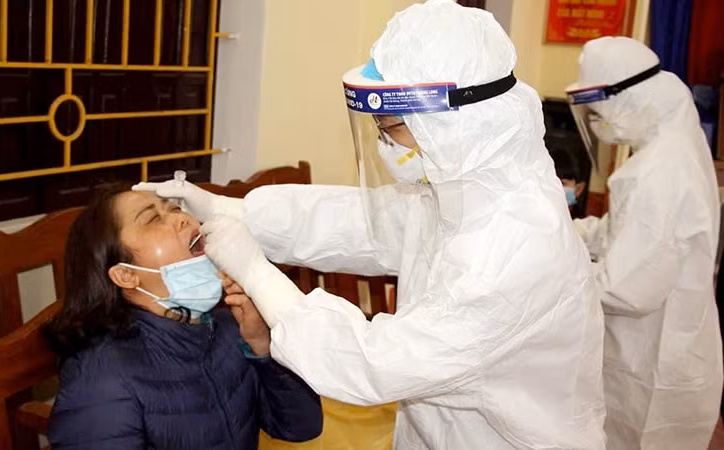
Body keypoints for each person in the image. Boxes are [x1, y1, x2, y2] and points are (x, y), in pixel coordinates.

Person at [137, 2, 606, 448]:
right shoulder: (465, 186)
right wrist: (229, 208)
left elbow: (372, 363)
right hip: (441, 427)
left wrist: (258, 274)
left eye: (393, 126)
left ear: (453, 123)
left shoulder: (512, 247)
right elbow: (362, 223)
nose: (385, 144)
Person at [45, 185, 322, 450]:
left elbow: (301, 427)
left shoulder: (229, 328)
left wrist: (262, 345)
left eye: (175, 208)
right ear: (126, 275)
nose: (181, 219)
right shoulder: (101, 376)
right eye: (153, 218)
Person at [567, 36, 723, 449]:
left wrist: (555, 268)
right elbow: (630, 232)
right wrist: (572, 234)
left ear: (629, 99)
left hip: (654, 366)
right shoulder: (670, 150)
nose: (597, 124)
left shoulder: (660, 172)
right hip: (660, 351)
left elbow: (626, 288)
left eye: (598, 112)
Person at [550, 145, 588, 218]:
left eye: (563, 183)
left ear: (579, 188)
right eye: (552, 184)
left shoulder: (581, 225)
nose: (556, 188)